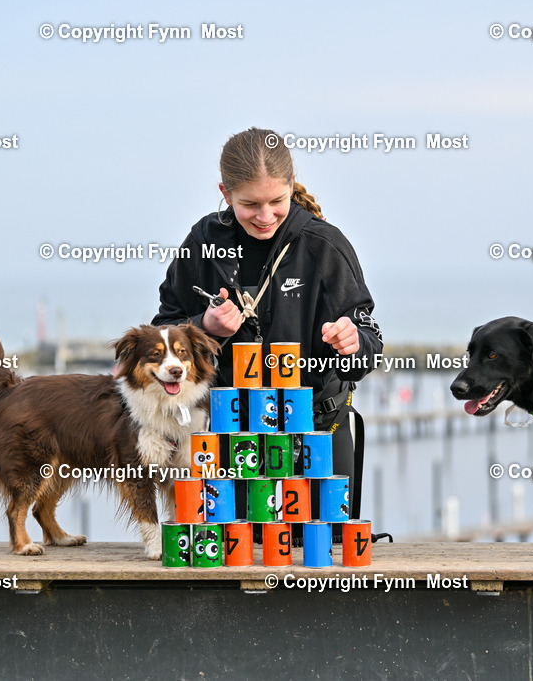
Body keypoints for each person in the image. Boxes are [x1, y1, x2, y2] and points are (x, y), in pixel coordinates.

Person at [153, 127, 387, 543]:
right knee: (232, 563)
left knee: (319, 563)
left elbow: (369, 345)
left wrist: (353, 342)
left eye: (277, 202)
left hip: (316, 432)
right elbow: (161, 334)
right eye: (250, 205)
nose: (265, 217)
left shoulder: (324, 245)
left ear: (292, 187)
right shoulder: (203, 242)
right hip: (227, 436)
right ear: (225, 193)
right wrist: (204, 330)